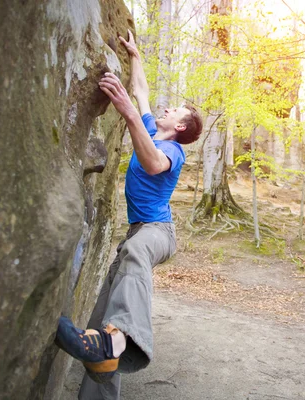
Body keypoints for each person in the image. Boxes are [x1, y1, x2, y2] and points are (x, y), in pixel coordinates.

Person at [54, 30, 203, 399]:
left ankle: (117, 342)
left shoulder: (173, 151)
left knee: (136, 255)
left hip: (157, 233)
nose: (167, 110)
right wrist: (135, 56)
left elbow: (153, 164)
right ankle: (104, 357)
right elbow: (141, 91)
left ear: (180, 127)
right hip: (136, 232)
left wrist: (128, 112)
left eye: (176, 111)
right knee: (100, 321)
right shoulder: (152, 128)